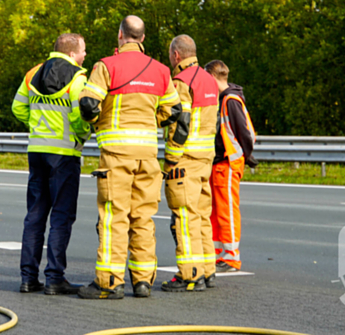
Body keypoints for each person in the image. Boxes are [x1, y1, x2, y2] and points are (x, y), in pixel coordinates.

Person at [77, 16, 182, 299]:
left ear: (120, 35)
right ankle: (143, 281)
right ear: (143, 39)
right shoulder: (161, 71)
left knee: (114, 218)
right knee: (144, 218)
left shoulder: (106, 66)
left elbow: (88, 104)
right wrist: (150, 121)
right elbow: (174, 111)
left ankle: (109, 282)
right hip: (148, 157)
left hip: (115, 157)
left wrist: (99, 121)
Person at [12, 33, 90, 295]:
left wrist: (37, 127)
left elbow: (18, 108)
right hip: (65, 154)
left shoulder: (32, 74)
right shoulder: (78, 78)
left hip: (37, 151)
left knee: (35, 215)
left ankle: (27, 278)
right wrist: (80, 136)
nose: (85, 56)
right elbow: (81, 116)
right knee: (61, 216)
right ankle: (54, 278)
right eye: (83, 51)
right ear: (71, 53)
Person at [161, 35, 220, 292]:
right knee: (202, 216)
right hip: (206, 158)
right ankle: (208, 270)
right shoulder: (210, 79)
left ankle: (188, 274)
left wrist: (171, 158)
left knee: (183, 217)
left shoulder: (182, 82)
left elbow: (181, 123)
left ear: (176, 55)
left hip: (185, 160)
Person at [204, 60, 257, 272]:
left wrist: (247, 155)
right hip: (218, 162)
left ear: (213, 77)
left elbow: (245, 132)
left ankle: (231, 256)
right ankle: (220, 254)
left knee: (227, 210)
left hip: (228, 162)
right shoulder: (223, 99)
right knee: (215, 211)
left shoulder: (230, 100)